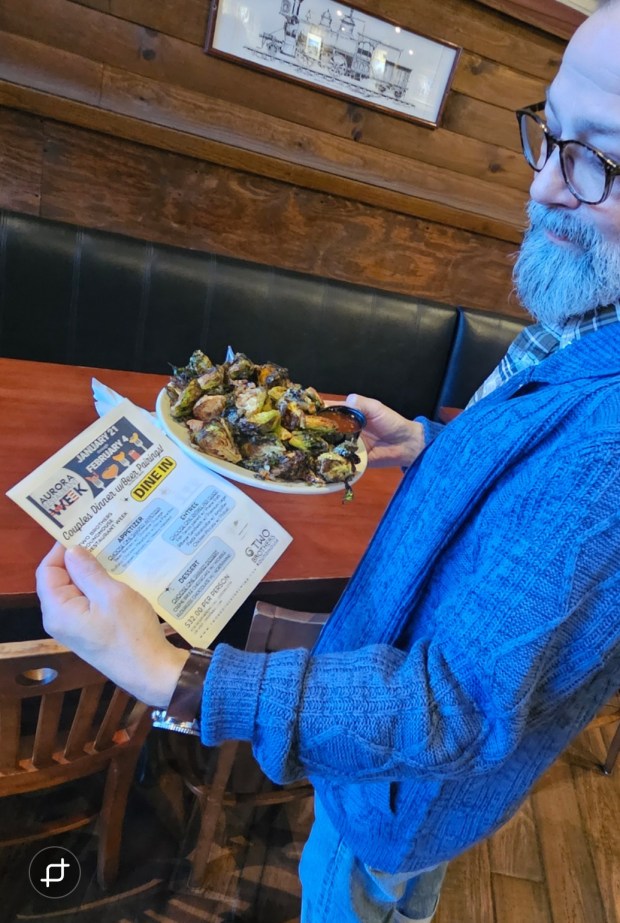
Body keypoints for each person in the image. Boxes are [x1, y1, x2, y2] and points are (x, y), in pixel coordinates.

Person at [36, 3, 620, 921]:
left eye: (601, 160)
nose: (546, 186)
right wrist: (432, 449)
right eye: (551, 133)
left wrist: (170, 673)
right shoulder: (594, 316)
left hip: (401, 790)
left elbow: (448, 707)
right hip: (361, 725)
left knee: (356, 893)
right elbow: (539, 508)